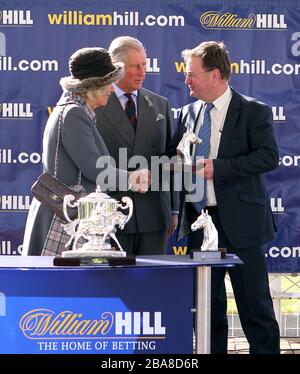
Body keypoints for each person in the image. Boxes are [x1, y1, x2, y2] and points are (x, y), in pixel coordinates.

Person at [169, 41, 280, 354]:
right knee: (206, 309)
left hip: (241, 225)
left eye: (191, 74)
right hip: (198, 224)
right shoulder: (187, 113)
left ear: (215, 74)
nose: (186, 80)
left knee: (254, 307)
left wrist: (217, 168)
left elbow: (268, 157)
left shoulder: (253, 111)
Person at [22, 47, 150, 256]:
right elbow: (96, 170)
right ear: (94, 86)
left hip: (71, 216)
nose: (112, 88)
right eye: (109, 82)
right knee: (64, 286)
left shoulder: (74, 111)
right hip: (64, 219)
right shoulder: (74, 113)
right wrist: (133, 179)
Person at [95, 36, 178, 256]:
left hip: (154, 216)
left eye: (144, 65)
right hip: (110, 216)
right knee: (113, 286)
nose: (142, 72)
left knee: (152, 285)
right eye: (135, 66)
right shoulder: (94, 105)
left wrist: (173, 208)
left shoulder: (160, 104)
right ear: (116, 67)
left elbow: (171, 158)